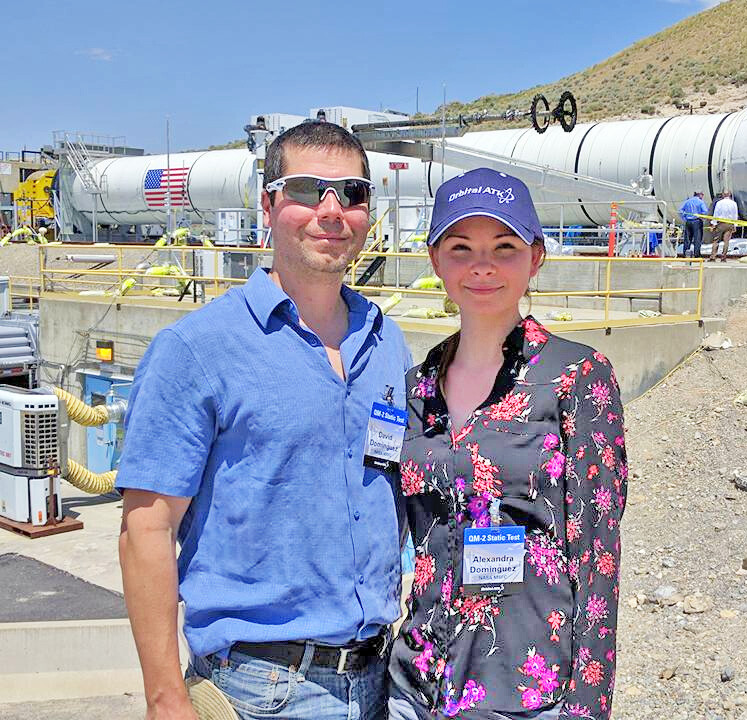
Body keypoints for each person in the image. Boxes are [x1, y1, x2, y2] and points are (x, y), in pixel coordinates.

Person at [117, 121, 411, 720]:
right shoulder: (198, 350)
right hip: (261, 691)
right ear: (268, 203)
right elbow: (145, 530)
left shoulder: (388, 345)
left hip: (380, 680)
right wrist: (165, 696)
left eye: (351, 194)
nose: (331, 211)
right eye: (307, 189)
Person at [388, 168, 628, 720]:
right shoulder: (418, 386)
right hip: (416, 687)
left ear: (535, 258)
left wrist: (588, 708)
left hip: (523, 693)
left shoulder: (577, 377)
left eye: (504, 247)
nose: (482, 266)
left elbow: (597, 555)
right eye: (461, 247)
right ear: (435, 260)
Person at [709, 191, 738, 262]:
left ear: (722, 195)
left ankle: (713, 257)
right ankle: (723, 257)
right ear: (730, 194)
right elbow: (735, 214)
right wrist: (735, 225)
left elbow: (716, 213)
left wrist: (713, 224)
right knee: (726, 241)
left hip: (720, 224)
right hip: (729, 224)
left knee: (716, 240)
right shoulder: (733, 203)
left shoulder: (719, 203)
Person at [679, 191, 708, 258]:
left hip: (688, 222)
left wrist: (684, 218)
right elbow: (705, 211)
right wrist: (701, 216)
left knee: (687, 239)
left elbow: (680, 210)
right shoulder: (700, 202)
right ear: (699, 195)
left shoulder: (687, 201)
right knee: (697, 239)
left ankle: (686, 254)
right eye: (702, 194)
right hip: (697, 221)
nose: (703, 196)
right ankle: (697, 254)